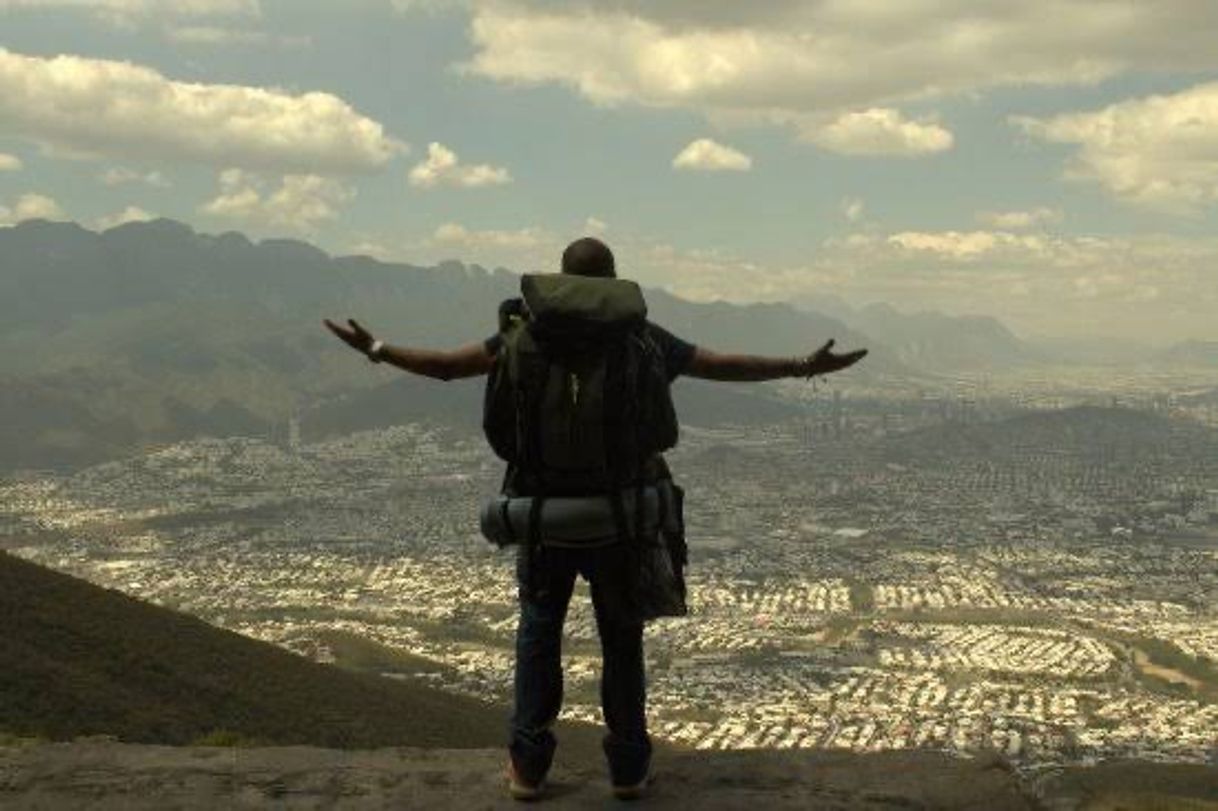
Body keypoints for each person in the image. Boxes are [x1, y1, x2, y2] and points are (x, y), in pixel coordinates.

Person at [324, 237, 867, 801]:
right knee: (621, 639)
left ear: (562, 278)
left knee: (539, 633)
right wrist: (803, 366)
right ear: (612, 281)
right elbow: (719, 366)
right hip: (621, 517)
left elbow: (445, 368)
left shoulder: (524, 334)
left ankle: (529, 768)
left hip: (540, 512)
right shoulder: (637, 338)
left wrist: (378, 347)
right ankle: (629, 768)